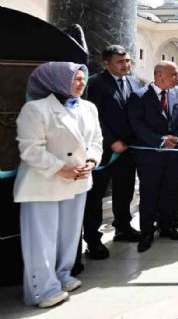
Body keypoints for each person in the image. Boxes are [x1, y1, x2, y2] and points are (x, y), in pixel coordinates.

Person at [15, 62, 102, 308]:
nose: (81, 83)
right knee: (42, 239)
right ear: (57, 81)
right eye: (76, 79)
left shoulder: (89, 108)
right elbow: (30, 149)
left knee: (69, 235)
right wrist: (60, 169)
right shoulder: (35, 109)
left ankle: (62, 275)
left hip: (78, 180)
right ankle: (43, 289)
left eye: (83, 79)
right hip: (44, 183)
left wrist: (92, 161)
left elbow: (96, 139)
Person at [83, 46, 141, 262]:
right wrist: (112, 141)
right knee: (96, 196)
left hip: (128, 150)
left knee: (124, 191)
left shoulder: (133, 82)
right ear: (106, 63)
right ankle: (93, 239)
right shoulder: (96, 83)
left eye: (127, 61)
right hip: (103, 152)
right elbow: (94, 117)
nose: (126, 65)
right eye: (120, 62)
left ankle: (123, 227)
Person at [127, 61, 178, 253]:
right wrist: (159, 141)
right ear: (159, 75)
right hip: (150, 156)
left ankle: (167, 226)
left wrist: (177, 137)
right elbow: (136, 124)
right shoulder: (139, 96)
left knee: (171, 191)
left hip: (173, 155)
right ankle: (147, 231)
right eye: (174, 74)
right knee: (149, 194)